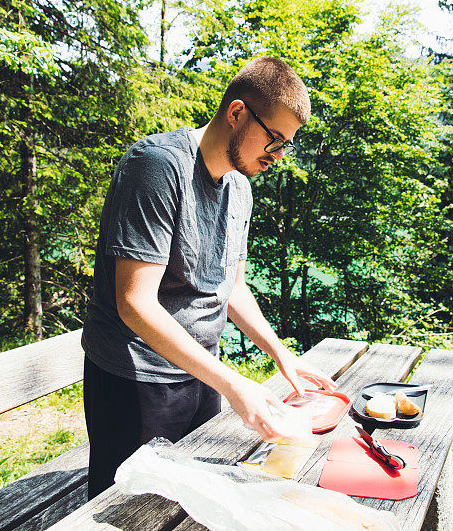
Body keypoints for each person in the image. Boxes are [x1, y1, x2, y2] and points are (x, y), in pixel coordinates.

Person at [81, 56, 336, 500]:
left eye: (285, 146)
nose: (276, 157)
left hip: (200, 375)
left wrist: (281, 355)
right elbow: (134, 303)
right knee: (127, 512)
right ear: (236, 112)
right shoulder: (158, 167)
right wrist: (236, 385)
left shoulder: (240, 187)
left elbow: (232, 287)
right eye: (273, 140)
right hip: (136, 379)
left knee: (192, 506)